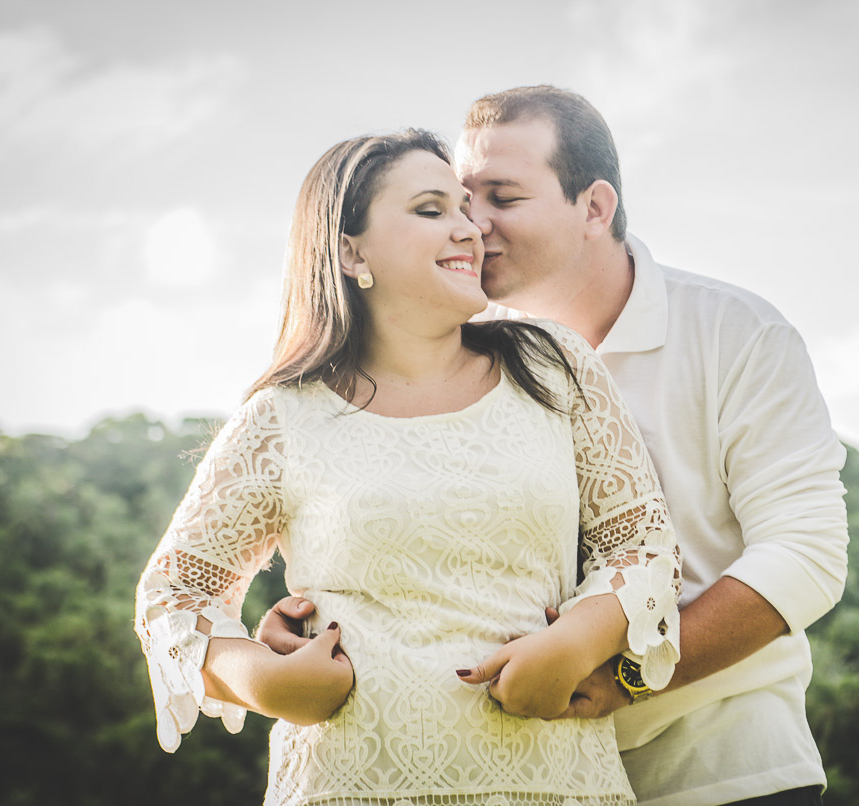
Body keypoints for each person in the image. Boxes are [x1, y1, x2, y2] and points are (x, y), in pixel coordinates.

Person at [260, 87, 849, 806]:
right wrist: (319, 617)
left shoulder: (739, 334)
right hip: (522, 773)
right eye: (456, 198)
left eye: (500, 196)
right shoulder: (451, 353)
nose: (471, 223)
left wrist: (627, 673)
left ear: (594, 209)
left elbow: (806, 554)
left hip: (724, 764)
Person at [134, 129, 682, 806]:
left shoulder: (554, 366)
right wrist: (262, 680)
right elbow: (173, 595)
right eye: (432, 210)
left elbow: (639, 540)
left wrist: (575, 642)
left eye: (465, 209)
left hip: (555, 783)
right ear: (349, 249)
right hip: (345, 788)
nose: (470, 229)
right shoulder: (282, 418)